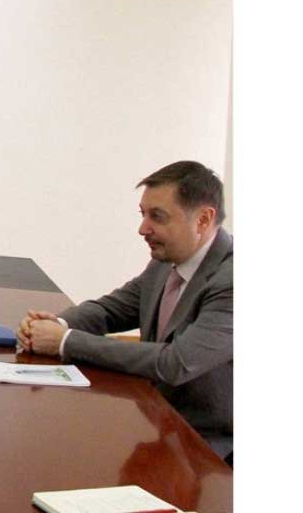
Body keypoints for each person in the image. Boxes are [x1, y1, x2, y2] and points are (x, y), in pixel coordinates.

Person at [16, 160, 232, 460]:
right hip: (156, 420)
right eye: (143, 214)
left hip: (209, 449)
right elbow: (112, 309)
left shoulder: (234, 280)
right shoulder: (165, 261)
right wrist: (58, 324)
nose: (143, 229)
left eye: (157, 217)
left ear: (203, 220)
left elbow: (176, 362)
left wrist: (65, 342)